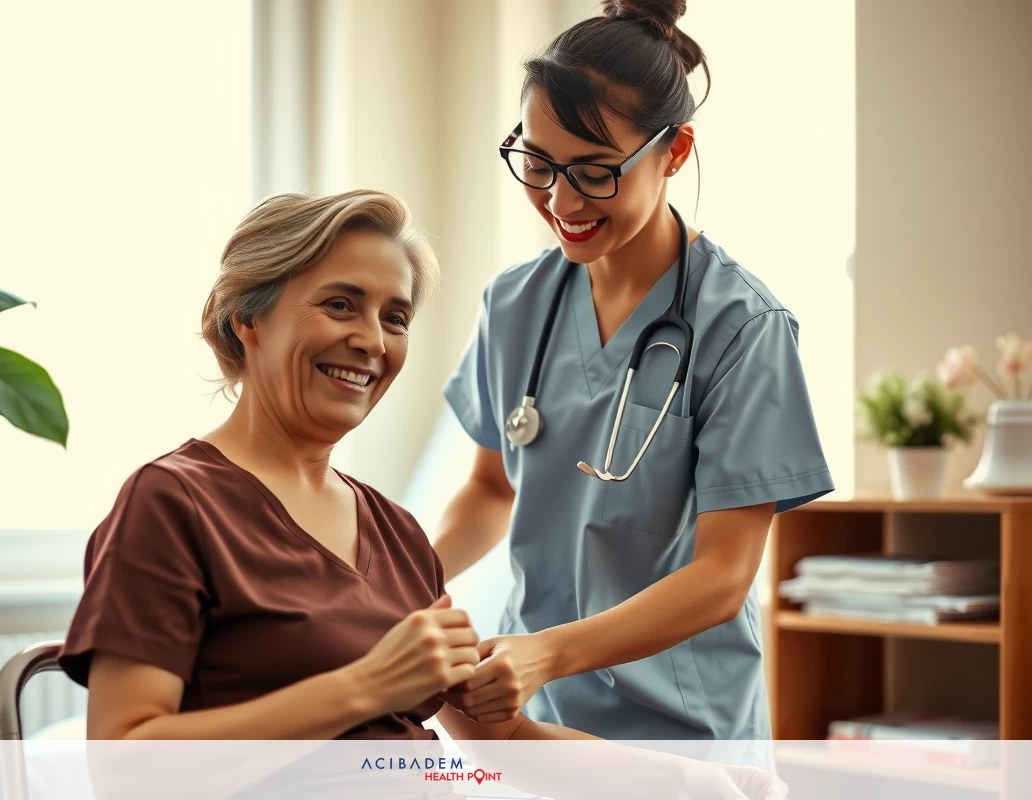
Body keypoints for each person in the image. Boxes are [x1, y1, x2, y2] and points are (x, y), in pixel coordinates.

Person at [54, 188, 786, 799]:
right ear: (249, 317)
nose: (372, 340)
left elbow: (507, 743)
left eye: (394, 316)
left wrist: (696, 784)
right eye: (340, 304)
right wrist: (365, 686)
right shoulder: (172, 503)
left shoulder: (396, 534)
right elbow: (126, 765)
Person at [434, 0, 835, 741]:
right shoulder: (514, 303)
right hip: (537, 720)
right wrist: (398, 585)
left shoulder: (742, 328)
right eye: (538, 163)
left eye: (593, 173)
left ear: (673, 152)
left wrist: (546, 654)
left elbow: (722, 576)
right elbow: (492, 490)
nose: (559, 201)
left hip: (681, 728)